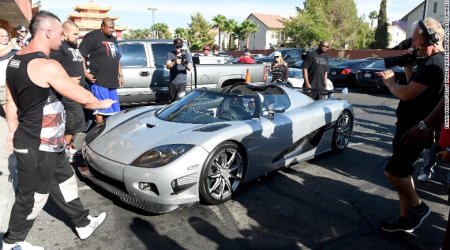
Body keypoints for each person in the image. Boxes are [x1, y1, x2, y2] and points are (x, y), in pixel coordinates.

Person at [2, 11, 114, 249]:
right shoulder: (46, 64)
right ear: (48, 32)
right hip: (37, 144)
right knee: (32, 196)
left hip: (50, 143)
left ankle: (83, 223)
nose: (62, 39)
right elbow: (83, 97)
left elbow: (10, 103)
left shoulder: (14, 61)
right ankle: (13, 242)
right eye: (60, 34)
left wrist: (12, 132)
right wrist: (101, 103)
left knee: (65, 180)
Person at [376, 17, 445, 233]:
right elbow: (413, 88)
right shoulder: (427, 61)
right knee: (403, 173)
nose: (413, 44)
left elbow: (405, 94)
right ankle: (406, 218)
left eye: (415, 39)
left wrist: (390, 83)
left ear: (430, 39)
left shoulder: (435, 64)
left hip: (415, 129)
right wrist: (408, 68)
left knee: (393, 172)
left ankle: (418, 208)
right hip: (408, 124)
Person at [49, 21, 85, 162]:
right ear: (64, 32)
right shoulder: (60, 48)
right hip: (68, 92)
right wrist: (68, 79)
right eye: (75, 34)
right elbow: (52, 68)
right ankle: (63, 151)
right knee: (72, 122)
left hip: (77, 91)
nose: (77, 37)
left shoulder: (74, 47)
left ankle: (66, 148)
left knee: (75, 123)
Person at [79, 17, 123, 125]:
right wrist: (85, 73)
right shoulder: (92, 37)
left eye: (113, 28)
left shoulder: (113, 39)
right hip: (99, 80)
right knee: (100, 108)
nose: (112, 30)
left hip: (112, 81)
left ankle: (109, 131)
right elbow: (81, 56)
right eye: (109, 28)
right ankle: (99, 131)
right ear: (102, 26)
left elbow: (117, 58)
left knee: (114, 109)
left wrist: (120, 75)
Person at [166, 38, 193, 102]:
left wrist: (184, 63)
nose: (179, 48)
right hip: (172, 82)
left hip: (182, 83)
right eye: (177, 46)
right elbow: (168, 66)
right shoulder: (170, 54)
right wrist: (174, 62)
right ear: (174, 46)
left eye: (180, 46)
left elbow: (190, 68)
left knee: (180, 101)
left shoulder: (186, 54)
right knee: (172, 101)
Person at [0, 28, 17, 118]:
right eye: (3, 36)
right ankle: (10, 120)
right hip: (2, 81)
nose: (6, 38)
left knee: (15, 100)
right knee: (5, 101)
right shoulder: (9, 46)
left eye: (7, 36)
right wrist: (11, 45)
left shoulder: (12, 45)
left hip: (14, 80)